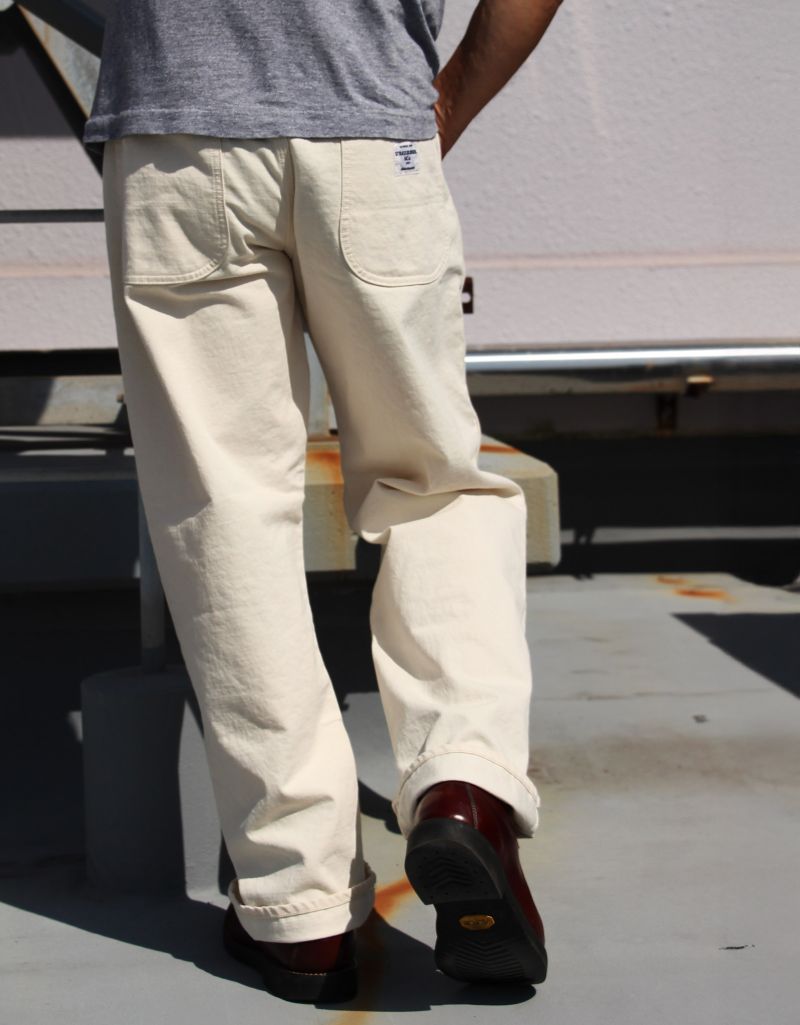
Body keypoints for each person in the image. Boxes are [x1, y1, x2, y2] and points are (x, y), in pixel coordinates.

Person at [84, 0, 564, 1005]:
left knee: (225, 516)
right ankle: (465, 784)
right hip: (370, 125)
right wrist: (442, 98)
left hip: (175, 129)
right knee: (431, 485)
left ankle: (299, 909)